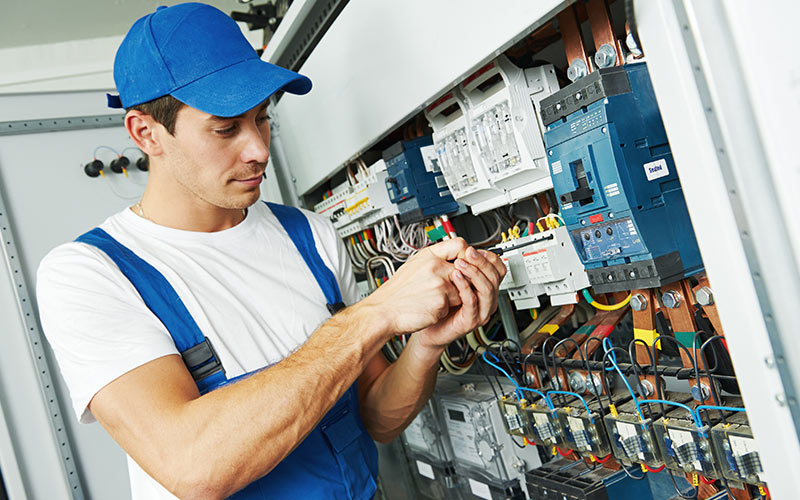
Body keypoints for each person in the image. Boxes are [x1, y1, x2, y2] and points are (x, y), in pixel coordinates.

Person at [36, 3, 505, 500]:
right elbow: (193, 465)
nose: (258, 149)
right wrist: (377, 314)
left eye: (262, 120)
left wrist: (426, 346)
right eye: (225, 129)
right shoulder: (89, 275)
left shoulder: (311, 237)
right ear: (145, 133)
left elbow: (376, 419)